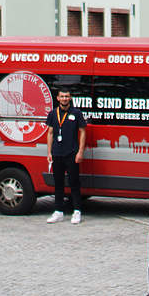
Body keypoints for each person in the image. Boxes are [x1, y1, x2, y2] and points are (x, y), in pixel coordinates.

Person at [44, 89, 87, 225]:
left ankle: (77, 211)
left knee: (74, 183)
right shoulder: (53, 114)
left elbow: (83, 132)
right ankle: (58, 211)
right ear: (57, 98)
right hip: (57, 153)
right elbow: (50, 133)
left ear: (70, 98)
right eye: (62, 96)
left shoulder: (76, 113)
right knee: (58, 183)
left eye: (67, 96)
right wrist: (49, 152)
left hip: (72, 153)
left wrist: (80, 152)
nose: (64, 99)